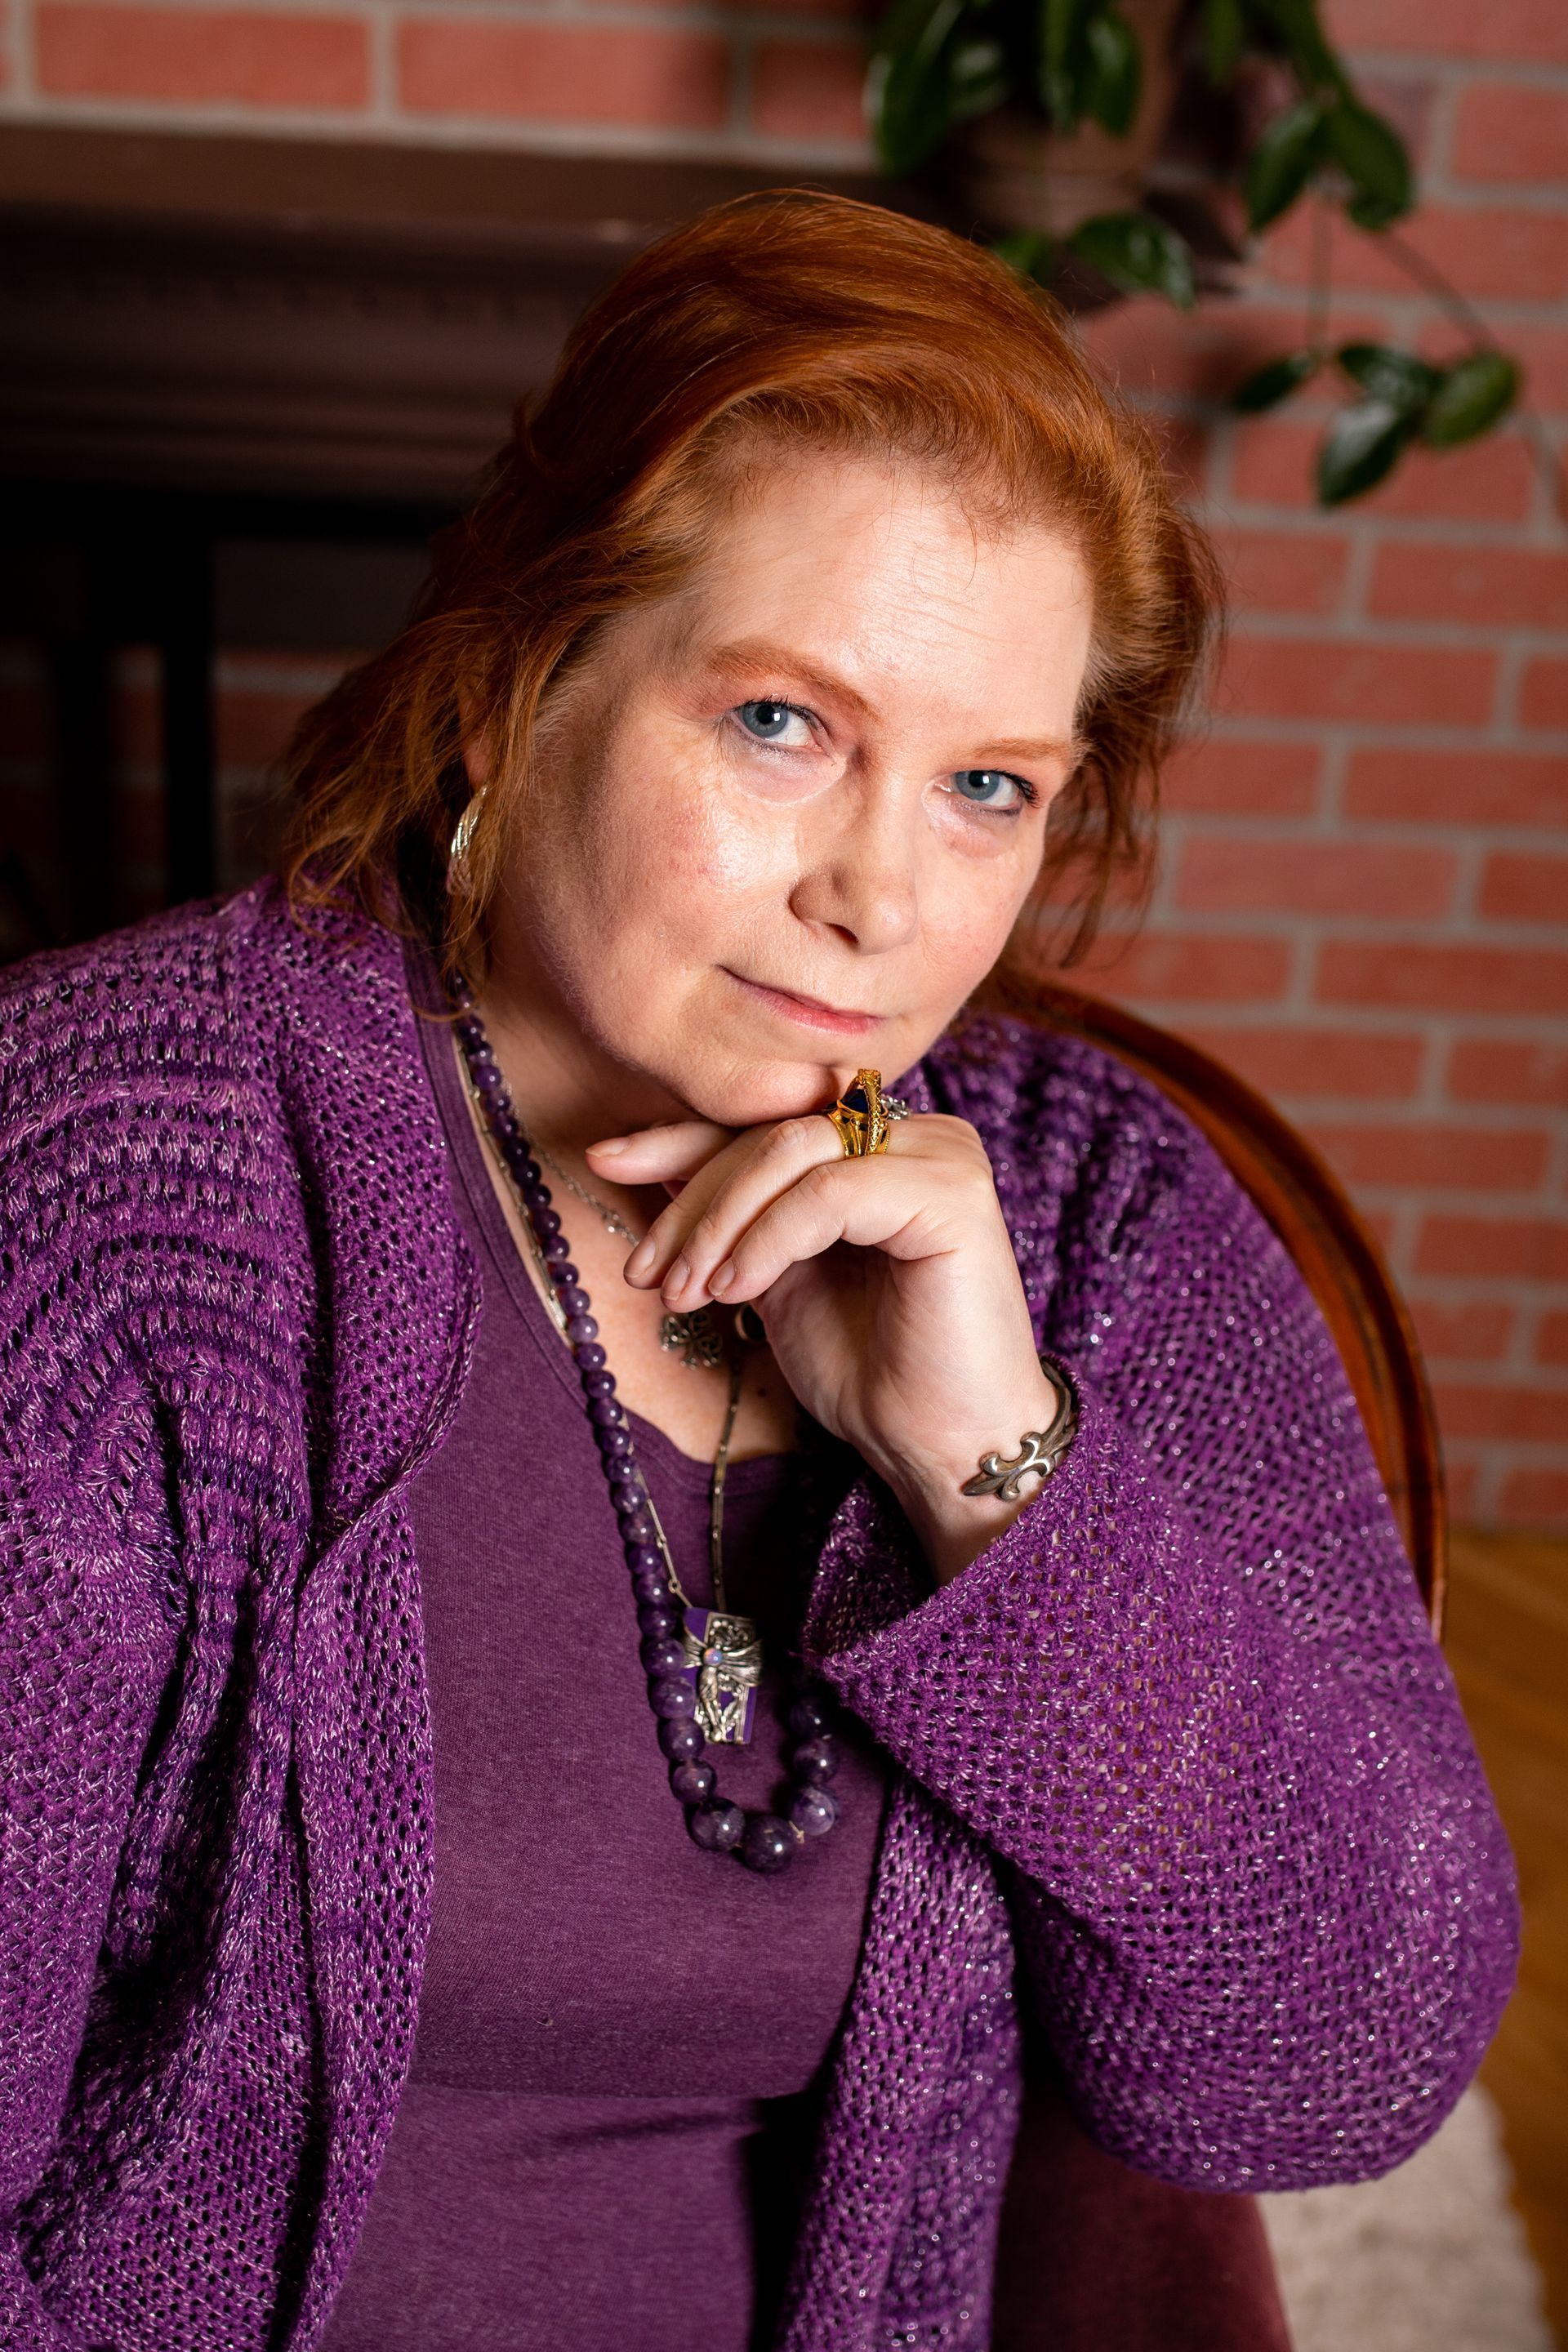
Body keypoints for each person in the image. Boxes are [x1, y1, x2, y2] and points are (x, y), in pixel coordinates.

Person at [0, 191, 1516, 2352]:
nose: (878, 897)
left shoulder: (1094, 1228)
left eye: (988, 787)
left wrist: (999, 1473)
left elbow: (1337, 2065)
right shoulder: (108, 1190)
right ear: (519, 673)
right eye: (781, 726)